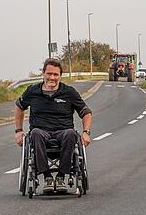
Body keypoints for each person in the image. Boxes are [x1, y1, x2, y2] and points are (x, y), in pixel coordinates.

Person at [14, 58, 93, 193]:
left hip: (63, 132)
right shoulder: (32, 91)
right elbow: (19, 107)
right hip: (40, 132)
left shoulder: (69, 92)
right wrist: (19, 130)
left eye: (56, 75)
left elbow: (86, 112)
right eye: (49, 74)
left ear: (60, 76)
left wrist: (86, 132)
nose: (52, 77)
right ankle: (48, 177)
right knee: (35, 133)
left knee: (71, 134)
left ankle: (61, 177)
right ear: (43, 74)